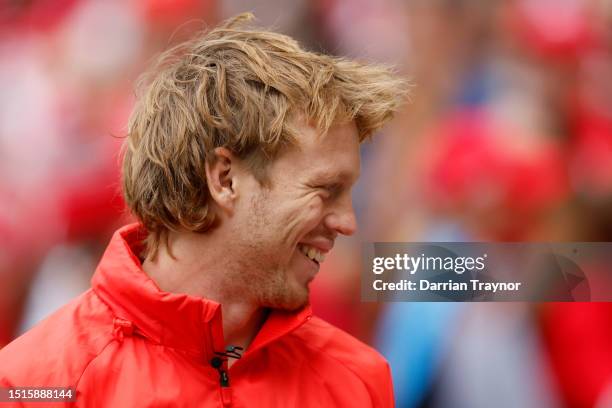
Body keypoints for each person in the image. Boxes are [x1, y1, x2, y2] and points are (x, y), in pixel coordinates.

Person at [0, 13, 407, 407]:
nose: (348, 222)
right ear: (225, 179)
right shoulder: (32, 384)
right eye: (325, 190)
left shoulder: (358, 380)